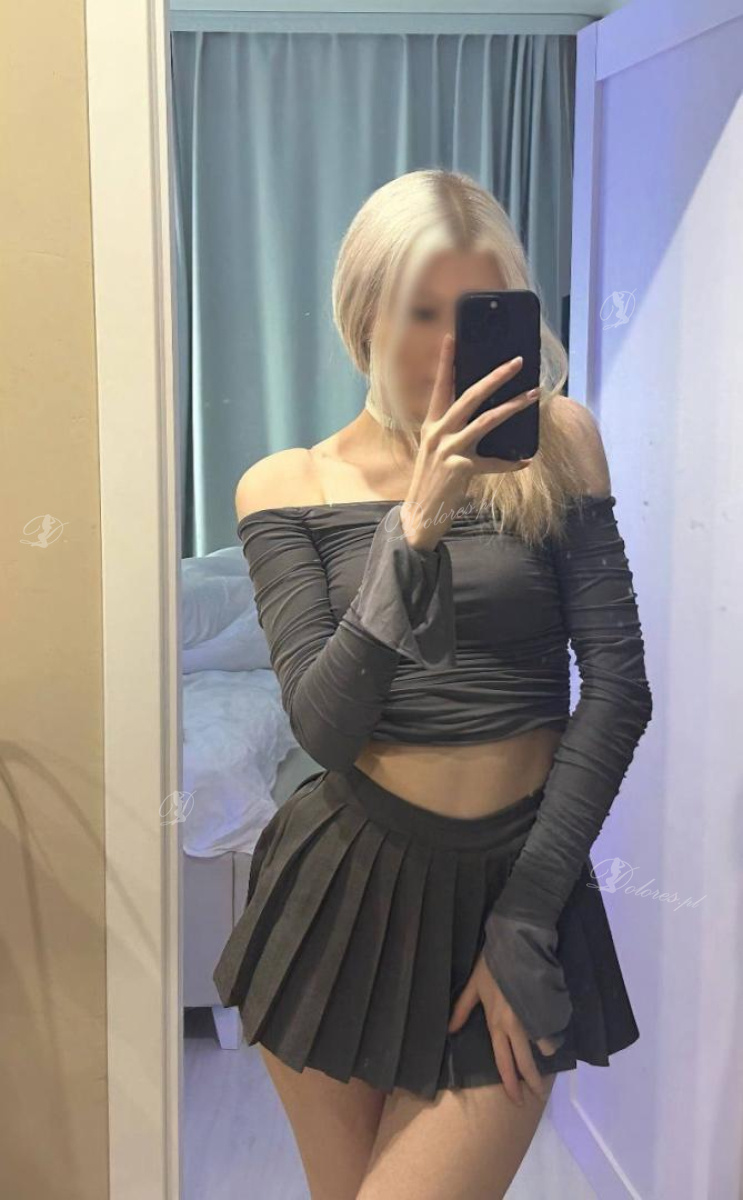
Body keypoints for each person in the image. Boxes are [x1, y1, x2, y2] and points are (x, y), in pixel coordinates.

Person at [213, 168, 653, 1200]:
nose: (448, 345)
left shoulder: (558, 443)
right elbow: (324, 729)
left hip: (515, 885)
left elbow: (617, 689)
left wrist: (526, 916)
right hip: (339, 899)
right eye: (421, 312)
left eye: (477, 311)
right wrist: (413, 530)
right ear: (362, 312)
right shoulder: (288, 485)